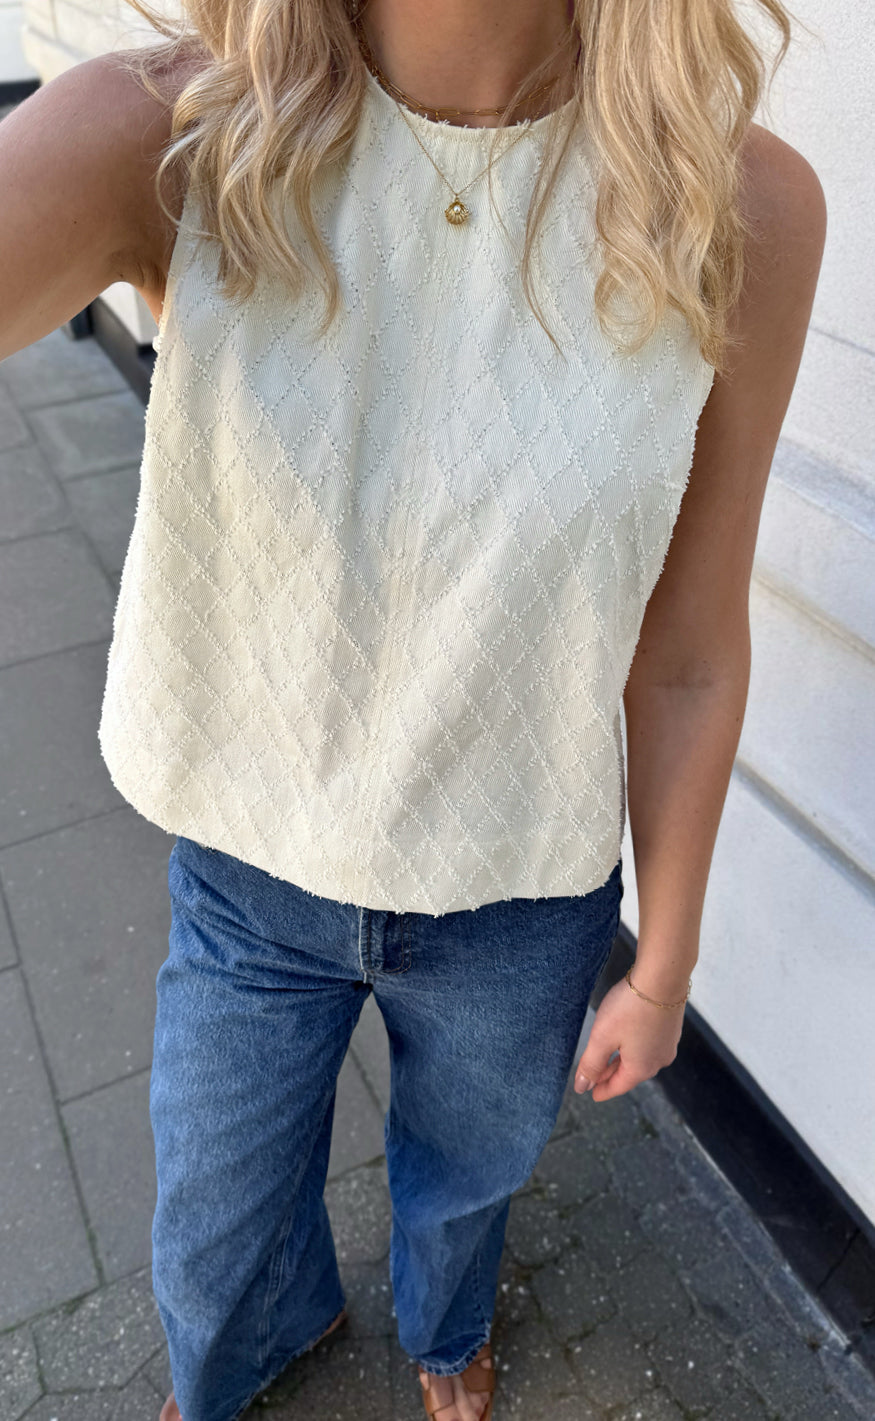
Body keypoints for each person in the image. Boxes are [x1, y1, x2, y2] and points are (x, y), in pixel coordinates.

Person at [0, 0, 826, 1417]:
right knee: (210, 1221)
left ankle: (448, 1329)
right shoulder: (180, 134)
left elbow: (688, 645)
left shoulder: (734, 205)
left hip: (521, 898)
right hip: (250, 869)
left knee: (467, 1182)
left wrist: (666, 964)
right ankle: (242, 1349)